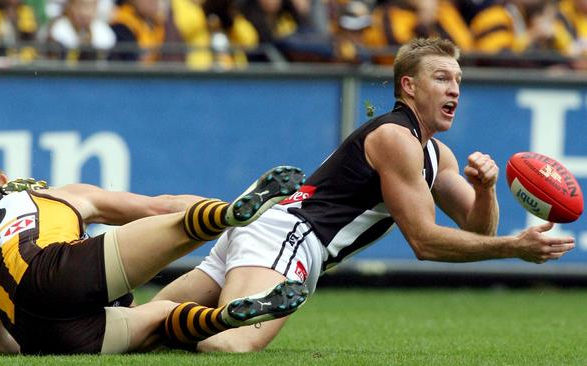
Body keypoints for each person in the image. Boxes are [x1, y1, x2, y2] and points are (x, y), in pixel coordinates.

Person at [153, 37, 576, 353]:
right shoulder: (396, 138)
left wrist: (485, 191)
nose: (455, 90)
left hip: (269, 229)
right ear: (408, 86)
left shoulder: (435, 153)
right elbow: (425, 242)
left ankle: (98, 321)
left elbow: (478, 230)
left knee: (146, 323)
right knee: (233, 343)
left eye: (458, 81)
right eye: (442, 78)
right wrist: (516, 248)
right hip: (290, 238)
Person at [0, 152, 308, 354]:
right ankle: (232, 214)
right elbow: (157, 209)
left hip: (46, 336)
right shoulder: (45, 195)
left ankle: (226, 317)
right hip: (56, 269)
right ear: (2, 180)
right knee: (179, 226)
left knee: (162, 318)